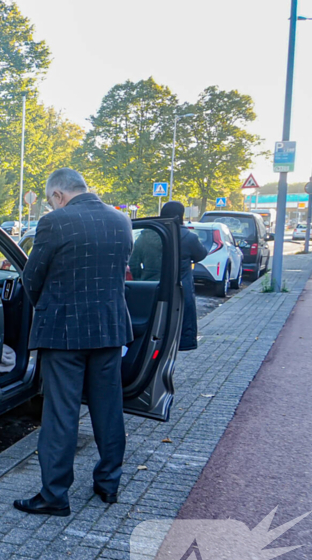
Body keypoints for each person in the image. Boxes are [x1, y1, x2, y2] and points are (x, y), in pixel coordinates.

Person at [13, 168, 134, 517]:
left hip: (64, 333)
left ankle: (54, 494)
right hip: (110, 330)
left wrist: (49, 308)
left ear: (57, 196)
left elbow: (31, 277)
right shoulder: (121, 220)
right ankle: (108, 485)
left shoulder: (56, 222)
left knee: (61, 414)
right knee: (109, 409)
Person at [160, 201, 207, 351]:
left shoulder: (150, 234)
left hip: (154, 285)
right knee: (183, 318)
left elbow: (135, 262)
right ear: (181, 216)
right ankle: (184, 343)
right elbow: (201, 254)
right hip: (181, 287)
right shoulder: (189, 237)